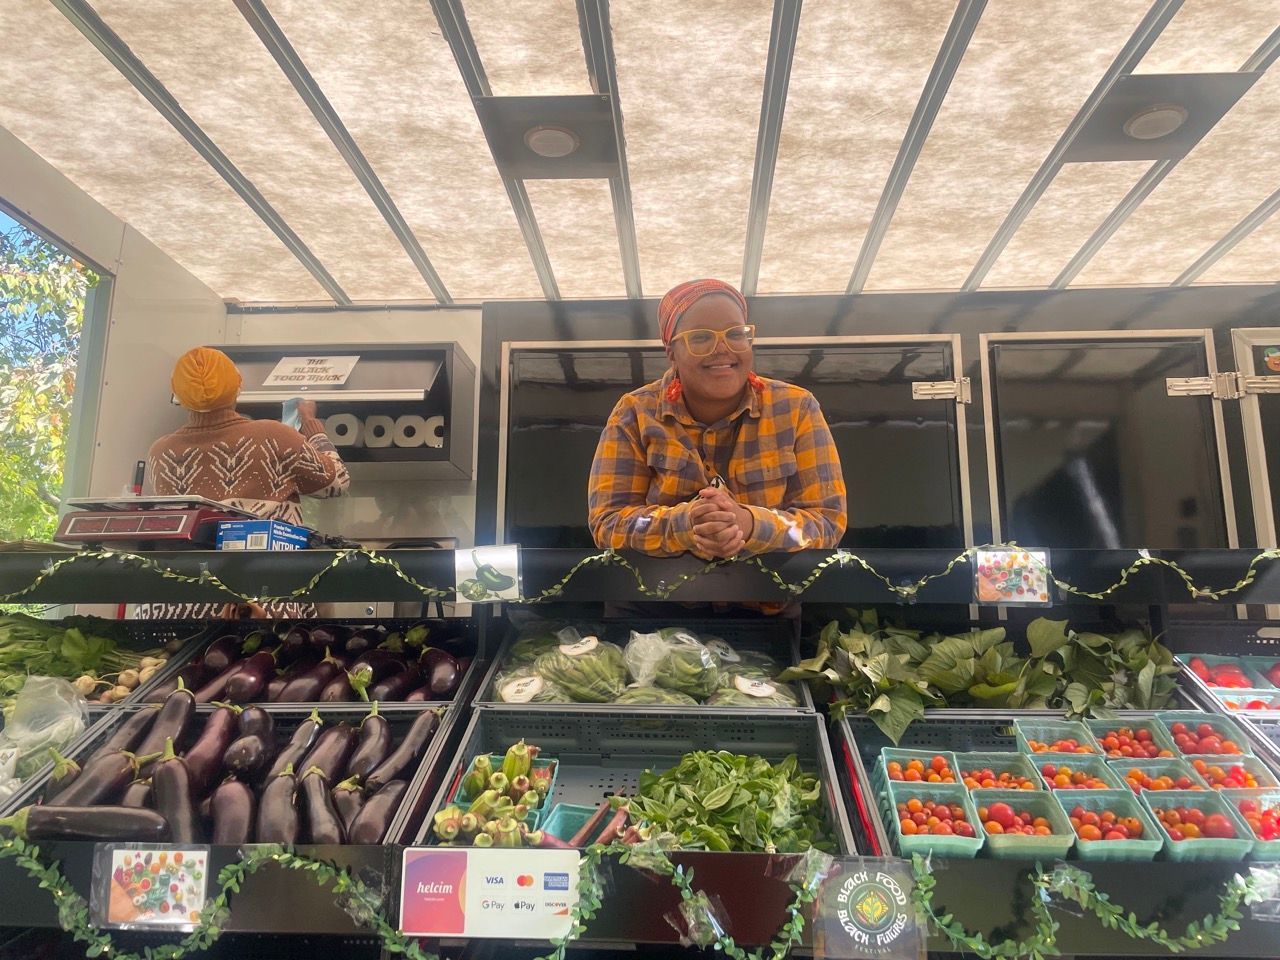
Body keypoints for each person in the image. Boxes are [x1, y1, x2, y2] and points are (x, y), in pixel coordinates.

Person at [588, 278, 846, 559]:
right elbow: (607, 523)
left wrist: (748, 524)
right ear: (671, 352)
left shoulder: (796, 408)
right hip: (655, 599)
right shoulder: (634, 414)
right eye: (701, 337)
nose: (723, 348)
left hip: (768, 598)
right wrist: (686, 524)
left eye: (736, 334)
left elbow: (827, 522)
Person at [137, 346, 350, 618]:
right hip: (260, 605)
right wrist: (312, 427)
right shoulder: (275, 435)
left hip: (183, 608)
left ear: (176, 391)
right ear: (238, 385)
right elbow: (337, 481)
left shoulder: (160, 451)